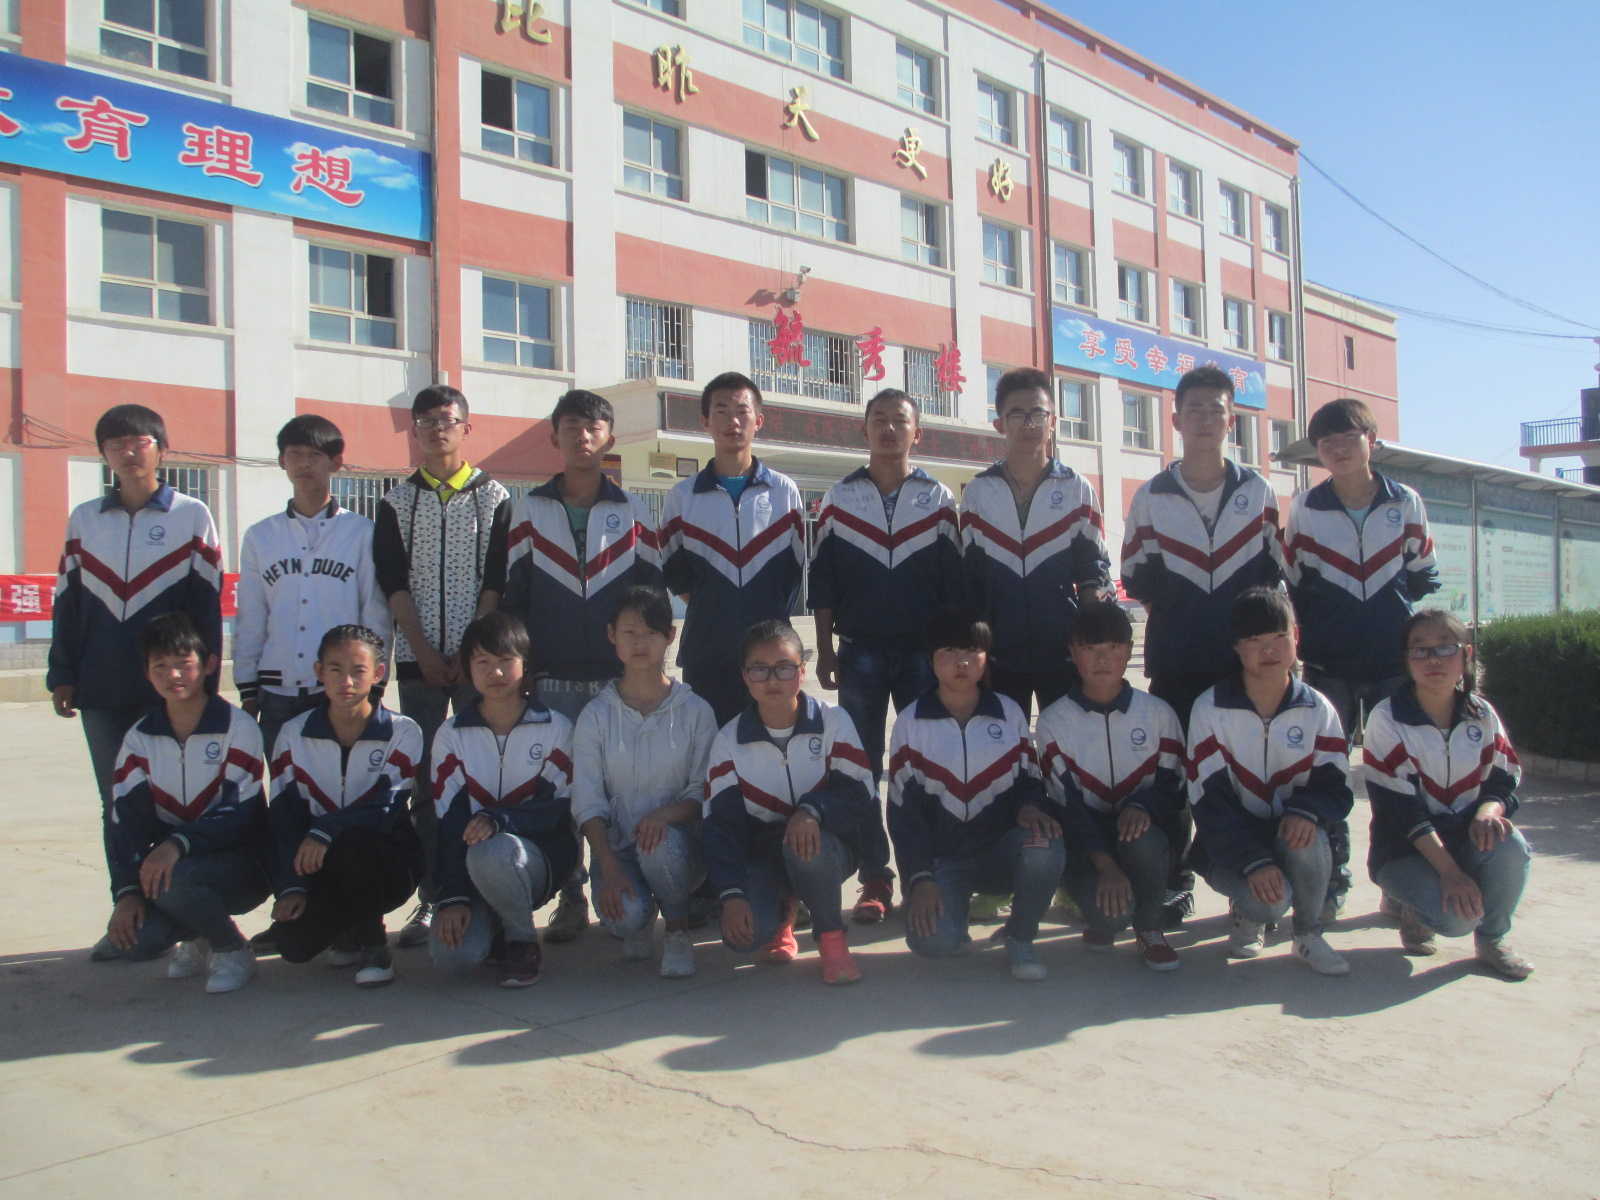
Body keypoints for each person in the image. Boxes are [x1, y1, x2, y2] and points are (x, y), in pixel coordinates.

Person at [50, 403, 223, 961]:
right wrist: (62, 671)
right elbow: (67, 602)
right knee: (118, 803)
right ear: (103, 454)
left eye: (139, 441)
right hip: (102, 686)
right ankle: (128, 911)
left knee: (183, 799)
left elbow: (206, 601)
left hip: (171, 687)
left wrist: (206, 673)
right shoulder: (86, 519)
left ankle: (192, 921)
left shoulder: (191, 515)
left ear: (161, 450)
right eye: (116, 443)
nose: (128, 451)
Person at [1121, 366, 1289, 925]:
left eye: (1216, 409)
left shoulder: (1257, 492)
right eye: (1194, 408)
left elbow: (1274, 575)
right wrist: (1184, 606)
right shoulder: (1152, 496)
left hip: (1243, 664)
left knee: (1243, 773)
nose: (1205, 419)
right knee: (1173, 775)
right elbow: (1135, 575)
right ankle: (1174, 881)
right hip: (1176, 659)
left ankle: (1249, 883)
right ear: (1175, 419)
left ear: (1231, 420)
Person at [502, 389, 664, 944]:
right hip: (552, 679)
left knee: (619, 789)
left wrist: (646, 668)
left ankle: (623, 885)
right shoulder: (530, 509)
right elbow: (515, 596)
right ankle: (570, 898)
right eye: (571, 426)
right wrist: (525, 668)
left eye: (593, 427)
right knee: (560, 792)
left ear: (609, 438)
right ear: (555, 437)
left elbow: (651, 598)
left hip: (616, 682)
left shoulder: (632, 510)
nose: (582, 436)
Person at [809, 388, 960, 924]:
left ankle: (928, 872)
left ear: (918, 432)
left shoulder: (938, 499)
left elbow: (953, 587)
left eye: (900, 420)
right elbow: (823, 582)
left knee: (923, 765)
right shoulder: (840, 498)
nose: (889, 429)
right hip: (861, 653)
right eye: (879, 419)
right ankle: (876, 877)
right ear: (865, 429)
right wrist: (825, 649)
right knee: (861, 768)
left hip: (923, 655)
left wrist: (950, 655)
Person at [1287, 397, 1440, 919]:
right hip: (1328, 664)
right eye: (1326, 441)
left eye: (1348, 437)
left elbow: (1421, 576)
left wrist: (1384, 620)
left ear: (1371, 441)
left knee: (1397, 779)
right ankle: (1331, 884)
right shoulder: (1306, 507)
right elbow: (1295, 581)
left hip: (1392, 665)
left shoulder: (1406, 502)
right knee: (1326, 776)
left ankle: (1398, 884)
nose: (1338, 448)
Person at [374, 385, 513, 949]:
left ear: (466, 428)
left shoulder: (494, 497)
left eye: (447, 420)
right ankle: (434, 896)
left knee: (482, 777)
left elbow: (495, 581)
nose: (437, 430)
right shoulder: (396, 502)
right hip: (419, 665)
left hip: (479, 666)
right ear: (414, 430)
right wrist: (424, 651)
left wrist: (468, 651)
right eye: (426, 421)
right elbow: (394, 583)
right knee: (430, 784)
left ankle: (488, 893)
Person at [887, 605, 1066, 981]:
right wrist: (919, 878)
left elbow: (1030, 779)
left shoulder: (1009, 712)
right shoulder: (910, 722)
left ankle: (1020, 936)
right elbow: (904, 814)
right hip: (943, 861)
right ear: (931, 660)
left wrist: (1031, 806)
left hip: (999, 851)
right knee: (933, 943)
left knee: (1045, 845)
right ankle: (952, 915)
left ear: (986, 658)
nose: (962, 662)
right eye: (949, 652)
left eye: (972, 651)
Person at [1187, 588, 1352, 975]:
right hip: (1231, 848)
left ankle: (1308, 935)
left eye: (1279, 636)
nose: (1269, 650)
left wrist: (1306, 810)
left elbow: (1336, 788)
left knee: (1308, 831)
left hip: (1291, 837)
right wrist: (1253, 861)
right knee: (1270, 902)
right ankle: (1250, 915)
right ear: (1237, 647)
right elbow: (1208, 802)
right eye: (1255, 640)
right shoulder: (1210, 708)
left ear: (1296, 636)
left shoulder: (1317, 709)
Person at [1361, 609, 1532, 979]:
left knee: (1512, 846)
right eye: (1420, 649)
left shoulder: (1481, 714)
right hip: (1404, 852)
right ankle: (1413, 908)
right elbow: (1400, 812)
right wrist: (1451, 874)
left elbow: (1503, 778)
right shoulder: (1387, 719)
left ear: (1466, 655)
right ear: (1406, 659)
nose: (1433, 659)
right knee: (1457, 921)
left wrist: (1489, 811)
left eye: (1444, 647)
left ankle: (1493, 940)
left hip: (1464, 840)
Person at [102, 613, 269, 993]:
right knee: (136, 941)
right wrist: (126, 892)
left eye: (183, 664)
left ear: (209, 664)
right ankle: (198, 934)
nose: (173, 675)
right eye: (160, 666)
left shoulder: (237, 728)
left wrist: (177, 844)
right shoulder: (140, 738)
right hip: (176, 867)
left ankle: (231, 948)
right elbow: (123, 822)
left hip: (243, 865)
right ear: (147, 673)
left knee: (175, 881)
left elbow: (239, 814)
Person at [704, 620, 874, 984]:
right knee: (745, 938)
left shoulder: (833, 721)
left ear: (802, 670)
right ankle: (782, 913)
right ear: (744, 676)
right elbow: (721, 827)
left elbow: (860, 794)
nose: (772, 680)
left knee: (806, 845)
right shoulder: (729, 741)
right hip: (764, 858)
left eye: (784, 668)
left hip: (827, 849)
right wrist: (732, 895)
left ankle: (832, 940)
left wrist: (813, 810)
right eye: (759, 669)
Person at [262, 625, 424, 988]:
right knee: (293, 946)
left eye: (358, 670)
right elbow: (284, 817)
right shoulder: (293, 734)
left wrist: (326, 829)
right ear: (319, 671)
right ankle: (347, 933)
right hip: (321, 863)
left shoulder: (403, 731)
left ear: (378, 673)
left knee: (354, 843)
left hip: (388, 862)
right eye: (335, 669)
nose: (346, 681)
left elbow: (385, 806)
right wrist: (291, 886)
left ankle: (375, 946)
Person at [571, 586, 718, 978]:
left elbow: (703, 790)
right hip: (618, 850)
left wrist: (665, 816)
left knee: (659, 845)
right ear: (611, 635)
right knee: (624, 918)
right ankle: (640, 918)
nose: (640, 643)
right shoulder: (596, 716)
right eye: (630, 632)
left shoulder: (695, 711)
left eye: (651, 633)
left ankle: (677, 928)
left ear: (670, 636)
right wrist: (607, 864)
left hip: (678, 848)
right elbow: (587, 799)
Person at [428, 612, 578, 988]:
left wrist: (499, 820)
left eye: (505, 661)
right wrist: (453, 896)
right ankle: (494, 921)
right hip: (471, 868)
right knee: (453, 959)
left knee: (492, 851)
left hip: (538, 860)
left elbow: (556, 812)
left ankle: (521, 942)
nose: (495, 672)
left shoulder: (556, 728)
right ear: (467, 668)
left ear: (525, 665)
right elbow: (449, 821)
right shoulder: (451, 735)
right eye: (482, 662)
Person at [1036, 601, 1186, 971]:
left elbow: (1174, 787)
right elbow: (1067, 807)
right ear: (1073, 653)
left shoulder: (1158, 714)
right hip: (1088, 844)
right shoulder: (1054, 721)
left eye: (1113, 648)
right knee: (1110, 918)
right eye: (1090, 649)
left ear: (1129, 651)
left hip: (1142, 835)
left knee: (1144, 836)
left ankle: (1150, 928)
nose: (1102, 659)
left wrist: (1143, 805)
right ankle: (1104, 914)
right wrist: (1105, 865)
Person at [235, 414, 391, 759]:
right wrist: (247, 686)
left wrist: (374, 684)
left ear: (335, 462)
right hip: (276, 688)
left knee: (340, 779)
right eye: (295, 454)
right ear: (282, 461)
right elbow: (251, 614)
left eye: (315, 455)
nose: (304, 464)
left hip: (339, 688)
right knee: (284, 782)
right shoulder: (261, 536)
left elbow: (374, 610)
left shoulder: (361, 532)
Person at [961, 368, 1113, 718]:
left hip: (1062, 649)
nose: (1029, 423)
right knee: (1001, 738)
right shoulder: (979, 492)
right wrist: (976, 644)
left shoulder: (1077, 489)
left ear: (1053, 422)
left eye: (1038, 413)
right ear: (999, 423)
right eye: (1017, 414)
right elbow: (970, 577)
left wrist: (1090, 637)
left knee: (1067, 737)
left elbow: (1094, 567)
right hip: (999, 650)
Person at [660, 372, 805, 727]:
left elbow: (793, 571)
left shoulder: (784, 492)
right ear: (705, 421)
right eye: (721, 411)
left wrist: (759, 606)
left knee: (770, 742)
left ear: (759, 421)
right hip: (707, 650)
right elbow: (676, 573)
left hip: (770, 655)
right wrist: (718, 605)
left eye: (742, 411)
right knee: (709, 744)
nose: (733, 421)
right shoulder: (683, 497)